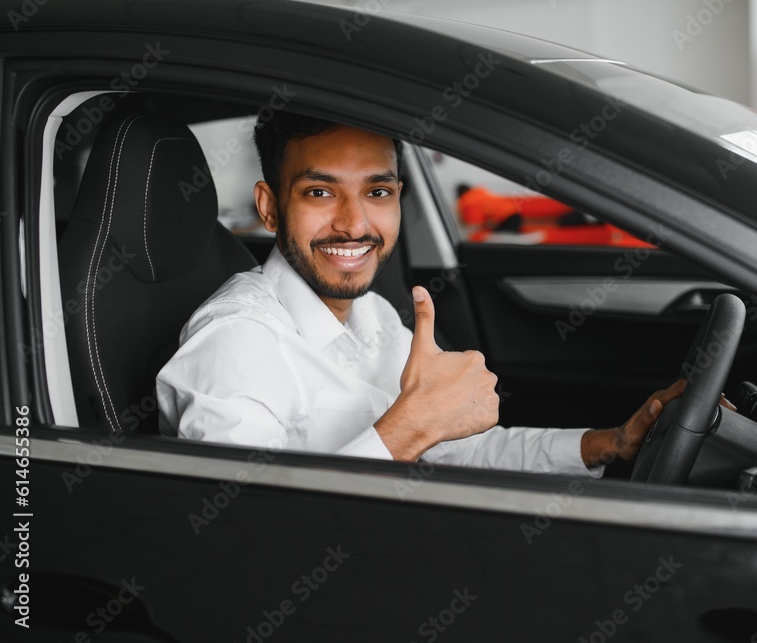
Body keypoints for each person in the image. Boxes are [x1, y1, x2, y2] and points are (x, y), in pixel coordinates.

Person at [157, 113, 689, 477]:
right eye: (320, 192)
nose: (354, 224)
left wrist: (609, 443)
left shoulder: (371, 312)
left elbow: (454, 452)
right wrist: (411, 426)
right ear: (269, 207)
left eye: (377, 192)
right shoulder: (236, 345)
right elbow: (242, 531)